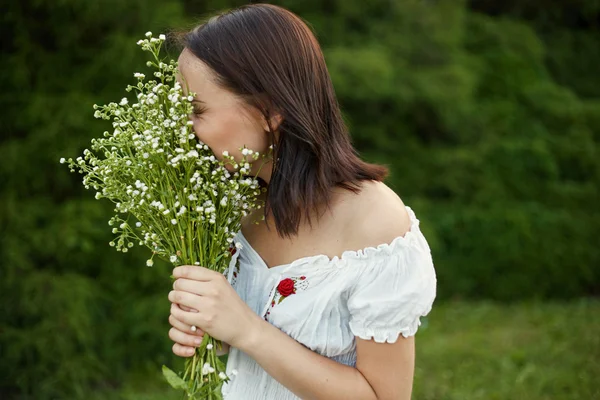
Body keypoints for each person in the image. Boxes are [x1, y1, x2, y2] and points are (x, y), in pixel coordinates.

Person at [167, 3, 437, 399]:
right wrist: (211, 325)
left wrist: (246, 328)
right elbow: (246, 347)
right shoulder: (232, 203)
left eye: (196, 110)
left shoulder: (376, 225)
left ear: (270, 110)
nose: (182, 127)